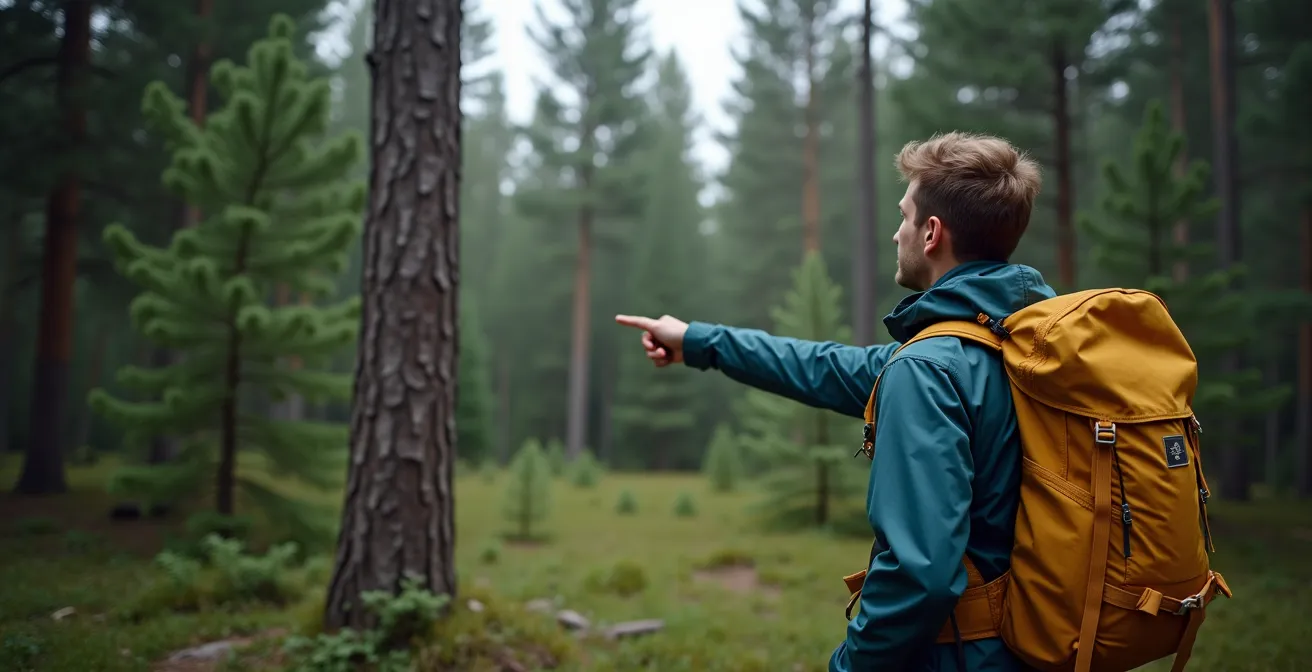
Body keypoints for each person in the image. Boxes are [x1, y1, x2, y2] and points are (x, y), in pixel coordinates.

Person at [615, 131, 1053, 672]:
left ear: (932, 233)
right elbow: (822, 365)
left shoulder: (927, 369)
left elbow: (921, 574)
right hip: (1043, 645)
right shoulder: (1021, 346)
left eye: (904, 216)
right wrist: (699, 341)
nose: (897, 233)